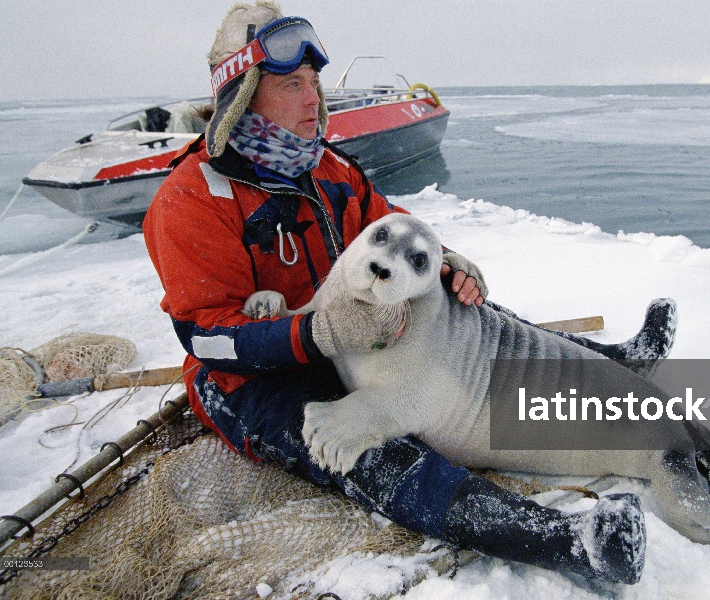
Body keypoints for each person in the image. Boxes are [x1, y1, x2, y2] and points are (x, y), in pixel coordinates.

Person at [143, 1, 673, 585]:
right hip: (256, 380)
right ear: (240, 96)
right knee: (368, 452)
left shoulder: (330, 172)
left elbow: (394, 227)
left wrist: (445, 267)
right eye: (291, 83)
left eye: (313, 82)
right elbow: (205, 339)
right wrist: (316, 332)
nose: (311, 100)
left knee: (478, 320)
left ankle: (615, 363)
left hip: (362, 343)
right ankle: (573, 542)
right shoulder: (191, 201)